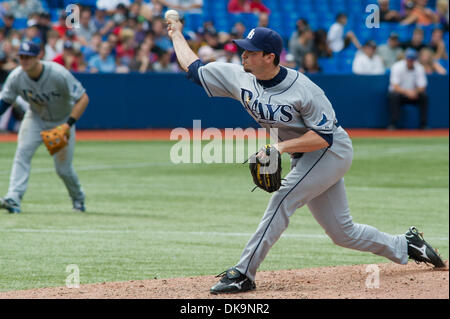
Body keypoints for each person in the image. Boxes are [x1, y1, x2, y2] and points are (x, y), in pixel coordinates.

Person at [166, 21, 446, 294]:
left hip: (331, 152)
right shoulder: (239, 76)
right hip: (305, 157)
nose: (243, 55)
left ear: (269, 57)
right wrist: (176, 33)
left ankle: (243, 274)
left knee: (282, 199)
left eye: (250, 51)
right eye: (244, 49)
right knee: (342, 232)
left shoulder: (304, 89)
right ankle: (405, 244)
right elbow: (194, 69)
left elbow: (324, 136)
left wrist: (279, 149)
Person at [0, 41, 89, 214]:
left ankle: (78, 199)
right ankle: (14, 198)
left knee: (63, 169)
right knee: (22, 153)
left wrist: (67, 125)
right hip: (36, 118)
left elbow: (83, 98)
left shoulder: (58, 73)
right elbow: (4, 103)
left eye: (28, 57)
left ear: (38, 57)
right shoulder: (17, 76)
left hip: (62, 120)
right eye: (22, 57)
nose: (24, 60)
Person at [388, 48, 429, 130]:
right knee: (394, 96)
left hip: (414, 94)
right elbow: (395, 86)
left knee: (424, 96)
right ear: (405, 58)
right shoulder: (397, 67)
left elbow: (423, 86)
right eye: (409, 59)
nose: (410, 61)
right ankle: (393, 124)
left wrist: (415, 92)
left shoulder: (419, 68)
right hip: (400, 94)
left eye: (412, 59)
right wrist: (407, 92)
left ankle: (423, 124)